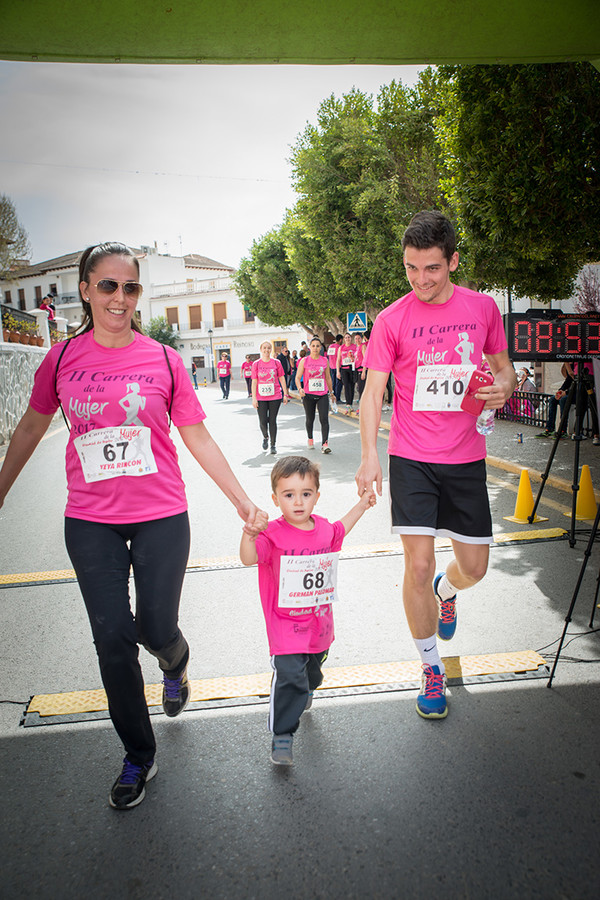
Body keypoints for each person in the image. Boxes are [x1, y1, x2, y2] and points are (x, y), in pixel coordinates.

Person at [0, 242, 263, 810]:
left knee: (153, 628)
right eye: (109, 286)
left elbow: (196, 435)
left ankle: (176, 660)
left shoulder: (163, 360)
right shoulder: (61, 359)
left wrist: (242, 501)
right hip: (90, 519)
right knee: (112, 639)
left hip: (162, 516)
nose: (120, 297)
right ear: (87, 290)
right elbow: (28, 429)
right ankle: (139, 755)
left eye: (131, 287)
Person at [356, 211, 516, 720]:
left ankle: (449, 591)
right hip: (412, 459)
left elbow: (503, 367)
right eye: (411, 268)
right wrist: (367, 456)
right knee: (417, 565)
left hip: (466, 458)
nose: (421, 280)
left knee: (474, 567)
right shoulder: (390, 320)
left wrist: (505, 387)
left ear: (453, 261)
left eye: (432, 269)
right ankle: (430, 670)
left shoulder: (483, 307)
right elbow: (373, 393)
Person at [240, 456, 376, 765]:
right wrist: (249, 533)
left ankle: (308, 687)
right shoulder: (271, 534)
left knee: (311, 673)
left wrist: (363, 505)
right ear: (276, 499)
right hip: (285, 627)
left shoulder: (325, 529)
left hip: (319, 626)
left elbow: (342, 529)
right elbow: (249, 558)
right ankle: (283, 734)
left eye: (306, 493)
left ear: (317, 495)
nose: (298, 502)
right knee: (289, 675)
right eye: (289, 495)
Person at [295, 336, 335, 453]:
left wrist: (331, 393)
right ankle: (310, 438)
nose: (315, 348)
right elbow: (297, 377)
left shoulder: (324, 360)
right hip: (308, 395)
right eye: (313, 346)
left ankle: (325, 444)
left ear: (320, 347)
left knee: (324, 419)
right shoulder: (304, 361)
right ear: (309, 348)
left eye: (318, 346)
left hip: (322, 394)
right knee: (310, 419)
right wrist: (299, 388)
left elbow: (328, 378)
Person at [252, 340, 289, 454]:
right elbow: (254, 381)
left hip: (275, 396)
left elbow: (282, 378)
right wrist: (254, 398)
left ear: (271, 350)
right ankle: (265, 436)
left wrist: (285, 394)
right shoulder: (256, 364)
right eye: (264, 348)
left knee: (272, 420)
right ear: (261, 350)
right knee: (263, 421)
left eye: (269, 348)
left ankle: (273, 445)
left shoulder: (276, 363)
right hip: (261, 397)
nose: (267, 350)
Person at [336, 332, 357, 414]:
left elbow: (357, 357)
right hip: (344, 369)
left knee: (352, 386)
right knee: (346, 386)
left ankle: (350, 403)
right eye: (346, 337)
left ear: (351, 338)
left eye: (349, 337)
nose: (347, 339)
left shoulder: (354, 347)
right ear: (344, 339)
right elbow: (338, 360)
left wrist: (353, 358)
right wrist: (338, 371)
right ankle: (348, 404)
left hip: (352, 368)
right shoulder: (341, 348)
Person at [327, 335, 342, 401]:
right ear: (341, 340)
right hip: (338, 366)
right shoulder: (339, 347)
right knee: (338, 383)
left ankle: (332, 396)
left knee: (333, 382)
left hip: (331, 366)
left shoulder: (330, 346)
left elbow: (328, 356)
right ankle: (337, 397)